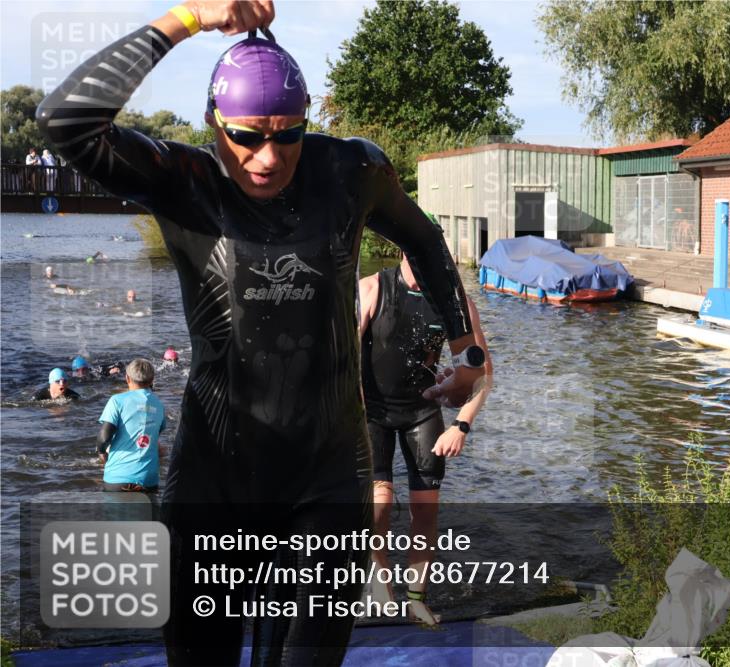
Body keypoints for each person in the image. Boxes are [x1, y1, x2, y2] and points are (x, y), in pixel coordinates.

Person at [37, 2, 485, 664]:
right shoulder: (184, 181)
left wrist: (465, 348)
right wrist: (189, 17)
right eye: (246, 136)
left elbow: (422, 235)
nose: (268, 157)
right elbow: (63, 122)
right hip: (215, 473)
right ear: (215, 123)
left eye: (288, 134)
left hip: (328, 472)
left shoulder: (349, 172)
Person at [359, 252, 491, 625]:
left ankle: (417, 598)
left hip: (422, 411)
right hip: (372, 411)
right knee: (378, 504)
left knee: (425, 509)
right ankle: (378, 577)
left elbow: (482, 376)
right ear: (404, 251)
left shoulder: (455, 304)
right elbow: (342, 359)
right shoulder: (370, 289)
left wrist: (460, 425)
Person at [96, 359, 166, 492]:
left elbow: (104, 437)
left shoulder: (117, 401)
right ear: (152, 380)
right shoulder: (159, 404)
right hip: (148, 480)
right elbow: (155, 435)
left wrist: (101, 452)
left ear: (127, 378)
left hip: (118, 479)